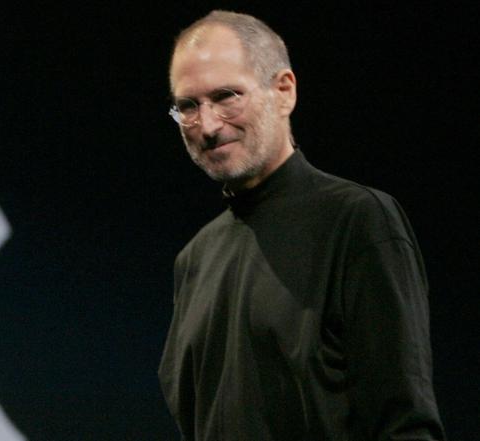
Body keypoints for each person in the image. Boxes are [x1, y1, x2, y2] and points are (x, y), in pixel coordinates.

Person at [157, 10, 446, 441]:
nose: (209, 125)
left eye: (226, 96)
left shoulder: (356, 221)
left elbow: (405, 424)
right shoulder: (195, 260)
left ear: (284, 91)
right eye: (188, 106)